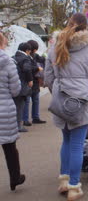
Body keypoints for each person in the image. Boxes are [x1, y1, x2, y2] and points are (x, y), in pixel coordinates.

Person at [44, 12, 88, 201]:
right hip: (81, 98)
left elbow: (47, 77)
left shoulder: (55, 45)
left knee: (66, 141)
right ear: (85, 27)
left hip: (61, 96)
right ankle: (73, 187)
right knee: (78, 144)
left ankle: (64, 180)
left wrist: (57, 93)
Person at [0, 32, 26, 191]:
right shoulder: (7, 62)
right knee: (9, 147)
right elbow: (16, 90)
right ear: (3, 42)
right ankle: (15, 178)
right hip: (5, 109)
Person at [22, 40, 46, 126]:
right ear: (34, 49)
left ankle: (34, 117)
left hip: (34, 81)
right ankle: (25, 119)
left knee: (35, 100)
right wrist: (37, 68)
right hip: (29, 81)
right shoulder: (25, 57)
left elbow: (43, 59)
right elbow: (28, 68)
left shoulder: (35, 56)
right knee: (28, 101)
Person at [12, 43, 33, 133]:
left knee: (13, 107)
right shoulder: (25, 58)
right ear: (27, 50)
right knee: (20, 106)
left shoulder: (13, 57)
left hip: (12, 84)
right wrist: (30, 80)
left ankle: (12, 126)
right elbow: (27, 69)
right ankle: (18, 126)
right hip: (22, 85)